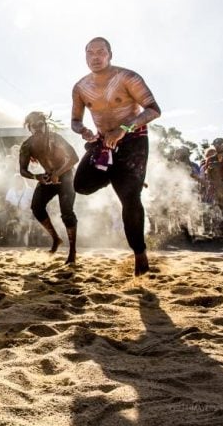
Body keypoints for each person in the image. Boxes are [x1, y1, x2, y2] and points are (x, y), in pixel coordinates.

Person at [71, 37, 161, 276]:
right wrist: (84, 131)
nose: (95, 57)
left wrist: (125, 129)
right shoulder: (80, 87)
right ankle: (122, 177)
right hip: (103, 142)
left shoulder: (128, 77)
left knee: (130, 199)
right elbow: (75, 121)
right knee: (80, 185)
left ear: (110, 54)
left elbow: (153, 109)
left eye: (101, 52)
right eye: (90, 53)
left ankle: (140, 255)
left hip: (133, 139)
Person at [19, 111, 79, 263]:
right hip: (48, 177)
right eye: (34, 126)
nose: (38, 128)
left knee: (67, 213)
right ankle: (56, 239)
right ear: (29, 128)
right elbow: (22, 170)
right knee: (36, 207)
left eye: (40, 125)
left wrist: (58, 173)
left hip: (66, 176)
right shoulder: (27, 145)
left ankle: (72, 251)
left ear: (45, 125)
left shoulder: (55, 138)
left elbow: (74, 157)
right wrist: (36, 176)